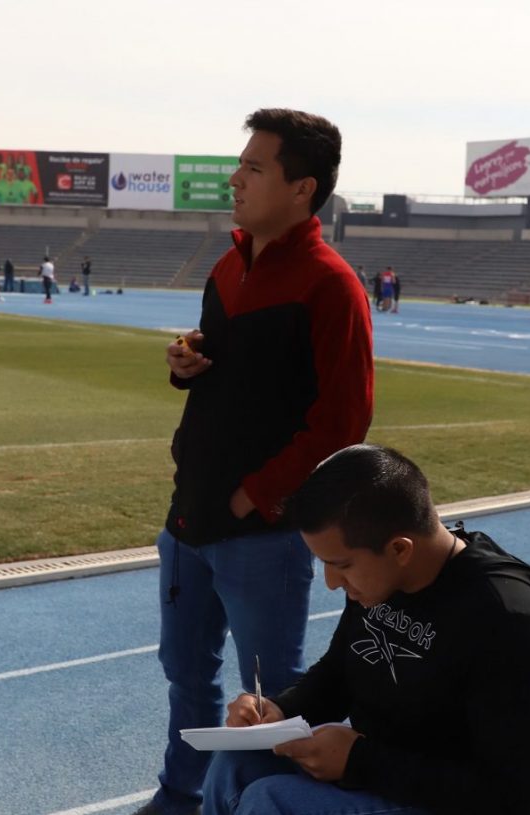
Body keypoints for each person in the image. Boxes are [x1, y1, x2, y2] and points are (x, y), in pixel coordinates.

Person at [132, 108, 374, 815]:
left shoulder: (331, 285)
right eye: (240, 164)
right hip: (188, 521)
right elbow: (232, 372)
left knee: (272, 697)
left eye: (254, 167)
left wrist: (255, 496)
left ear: (302, 188)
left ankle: (264, 805)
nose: (236, 178)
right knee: (186, 676)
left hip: (262, 535)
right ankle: (181, 796)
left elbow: (343, 423)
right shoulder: (227, 267)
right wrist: (186, 363)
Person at [201, 444, 530, 815]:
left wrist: (359, 761)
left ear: (400, 549)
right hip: (379, 772)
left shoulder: (508, 620)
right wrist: (278, 709)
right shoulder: (380, 579)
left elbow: (510, 798)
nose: (331, 582)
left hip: (442, 799)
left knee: (270, 801)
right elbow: (340, 672)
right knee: (235, 764)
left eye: (341, 565)